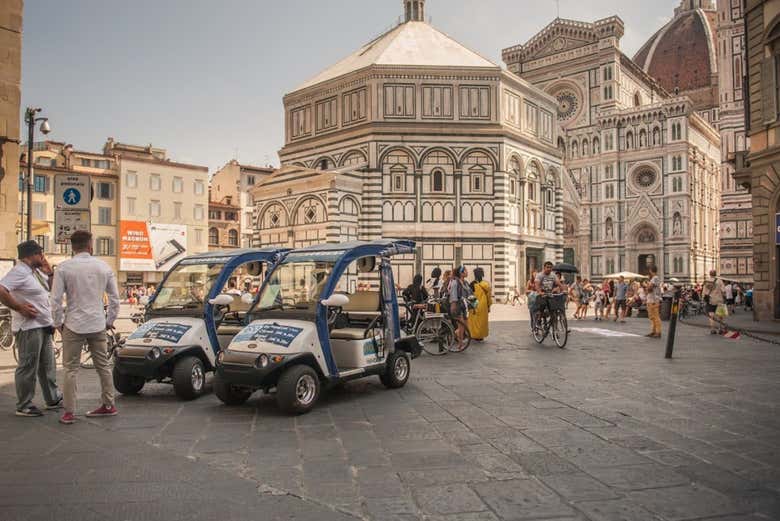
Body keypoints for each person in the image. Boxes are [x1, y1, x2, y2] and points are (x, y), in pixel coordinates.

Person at [51, 231, 121, 424]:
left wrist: (58, 323)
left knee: (70, 369)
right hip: (98, 322)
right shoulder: (103, 267)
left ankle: (69, 412)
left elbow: (55, 300)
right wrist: (109, 320)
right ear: (90, 246)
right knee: (103, 366)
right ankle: (108, 404)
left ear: (72, 247)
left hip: (73, 323)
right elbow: (115, 299)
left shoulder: (64, 268)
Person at [0, 241, 62, 417]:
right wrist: (19, 307)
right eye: (39, 253)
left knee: (47, 365)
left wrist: (49, 272)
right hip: (29, 327)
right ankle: (24, 404)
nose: (42, 257)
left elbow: (51, 289)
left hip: (43, 325)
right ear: (29, 255)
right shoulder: (19, 272)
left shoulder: (35, 273)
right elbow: (1, 289)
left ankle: (53, 398)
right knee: (28, 366)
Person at [448, 266, 470, 350]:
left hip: (464, 306)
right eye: (466, 271)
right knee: (461, 325)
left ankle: (454, 334)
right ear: (461, 273)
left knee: (464, 326)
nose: (467, 272)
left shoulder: (465, 282)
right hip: (457, 306)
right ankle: (460, 343)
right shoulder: (455, 282)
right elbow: (453, 294)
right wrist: (453, 305)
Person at [468, 267, 492, 341]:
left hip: (475, 303)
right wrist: (488, 306)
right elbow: (489, 297)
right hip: (484, 305)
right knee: (482, 322)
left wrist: (472, 307)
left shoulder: (472, 284)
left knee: (474, 321)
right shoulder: (486, 284)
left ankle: (474, 335)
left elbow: (471, 295)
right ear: (482, 274)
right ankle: (481, 336)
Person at [702, 270, 726, 334]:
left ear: (710, 274)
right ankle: (720, 328)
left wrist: (703, 299)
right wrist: (724, 297)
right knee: (721, 315)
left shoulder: (706, 281)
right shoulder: (719, 281)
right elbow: (723, 291)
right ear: (716, 274)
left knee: (711, 315)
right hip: (719, 300)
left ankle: (712, 329)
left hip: (710, 300)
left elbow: (704, 292)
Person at [645, 267, 662, 338]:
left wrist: (646, 286)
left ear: (651, 270)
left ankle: (658, 332)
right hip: (652, 300)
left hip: (653, 300)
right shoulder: (654, 278)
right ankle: (654, 331)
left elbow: (650, 289)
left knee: (656, 316)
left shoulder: (655, 278)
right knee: (652, 317)